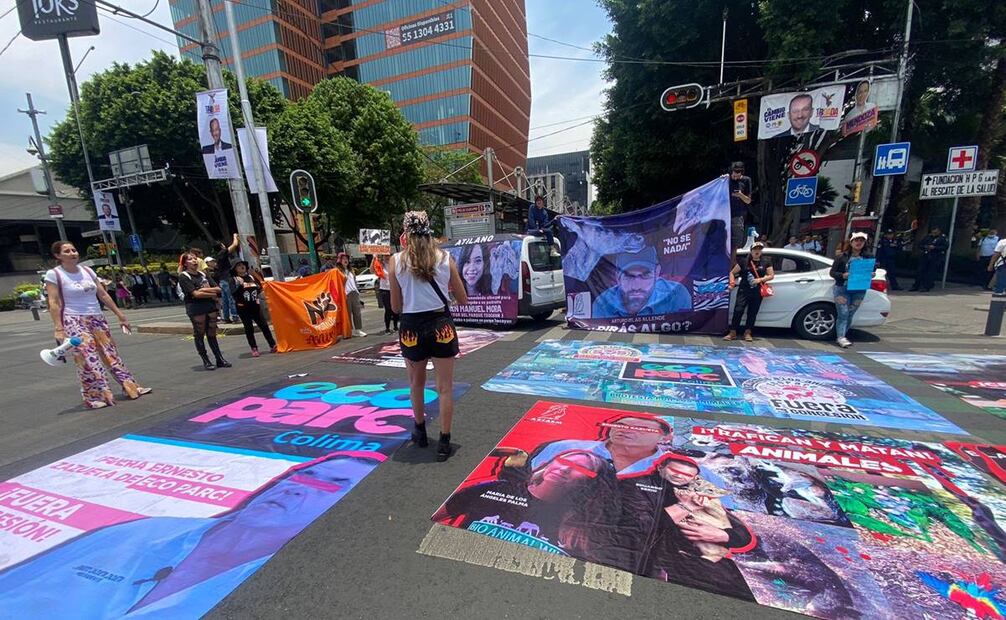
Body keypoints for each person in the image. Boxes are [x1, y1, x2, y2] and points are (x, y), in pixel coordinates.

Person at [0, 453, 377, 618]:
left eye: (330, 487)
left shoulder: (305, 593)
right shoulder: (138, 532)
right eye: (300, 477)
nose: (295, 488)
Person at [437, 449, 621, 561]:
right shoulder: (496, 488)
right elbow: (437, 516)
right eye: (564, 461)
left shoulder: (580, 528)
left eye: (580, 469)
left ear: (590, 484)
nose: (564, 468)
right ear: (550, 463)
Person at [389, 210, 468, 461]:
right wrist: (444, 298)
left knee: (416, 384)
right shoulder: (445, 258)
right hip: (440, 324)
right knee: (445, 387)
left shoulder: (396, 262)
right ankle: (444, 441)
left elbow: (395, 307)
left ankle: (420, 431)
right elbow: (463, 298)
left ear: (406, 234)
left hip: (411, 326)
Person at [43, 241, 151, 409]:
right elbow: (53, 301)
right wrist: (58, 328)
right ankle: (94, 396)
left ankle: (130, 387)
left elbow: (102, 293)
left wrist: (120, 315)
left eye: (74, 249)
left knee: (111, 353)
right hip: (73, 319)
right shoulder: (54, 274)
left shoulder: (87, 271)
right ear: (58, 256)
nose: (73, 253)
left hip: (97, 317)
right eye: (67, 251)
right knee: (87, 357)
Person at [645, 455, 755, 599]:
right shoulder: (642, 486)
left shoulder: (701, 494)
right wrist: (686, 506)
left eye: (688, 474)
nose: (680, 476)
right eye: (675, 470)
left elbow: (743, 534)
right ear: (661, 467)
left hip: (719, 568)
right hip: (673, 565)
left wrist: (722, 535)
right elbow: (644, 525)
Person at [530, 413, 673, 476]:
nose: (625, 430)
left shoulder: (676, 468)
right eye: (620, 425)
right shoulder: (565, 447)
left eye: (641, 429)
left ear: (665, 437)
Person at [592, 247, 692, 318]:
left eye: (646, 275)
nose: (637, 286)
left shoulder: (677, 295)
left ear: (657, 273)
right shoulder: (602, 304)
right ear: (618, 277)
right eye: (628, 275)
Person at [178, 252, 231, 370]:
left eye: (195, 259)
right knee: (199, 333)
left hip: (210, 306)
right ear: (185, 263)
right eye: (190, 259)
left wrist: (203, 290)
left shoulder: (203, 274)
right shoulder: (184, 276)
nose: (194, 261)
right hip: (196, 308)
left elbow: (218, 288)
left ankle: (219, 358)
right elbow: (195, 294)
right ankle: (206, 359)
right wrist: (206, 292)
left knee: (212, 333)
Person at [830, 231, 876, 348]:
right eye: (856, 240)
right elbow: (832, 272)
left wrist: (872, 274)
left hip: (859, 288)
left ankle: (843, 335)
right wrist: (843, 275)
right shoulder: (842, 257)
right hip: (842, 288)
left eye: (861, 240)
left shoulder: (868, 257)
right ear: (851, 242)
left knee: (850, 313)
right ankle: (840, 337)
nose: (858, 243)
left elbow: (873, 271)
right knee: (843, 313)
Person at [724, 241, 774, 342]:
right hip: (744, 290)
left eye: (759, 249)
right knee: (738, 310)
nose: (757, 251)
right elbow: (732, 273)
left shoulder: (766, 261)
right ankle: (733, 332)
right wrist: (732, 283)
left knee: (752, 312)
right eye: (755, 249)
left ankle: (748, 332)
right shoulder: (744, 261)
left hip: (757, 291)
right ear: (751, 251)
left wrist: (760, 280)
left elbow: (771, 275)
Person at [230, 260, 276, 357]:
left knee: (264, 325)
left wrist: (266, 297)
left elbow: (259, 289)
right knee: (249, 328)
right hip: (243, 308)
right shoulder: (234, 279)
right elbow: (233, 293)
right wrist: (239, 284)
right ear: (235, 269)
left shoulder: (251, 277)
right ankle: (254, 347)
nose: (242, 267)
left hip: (255, 306)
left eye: (243, 265)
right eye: (239, 265)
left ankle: (272, 344)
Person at [336, 252, 366, 337]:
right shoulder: (338, 271)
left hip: (354, 292)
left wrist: (357, 292)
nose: (345, 260)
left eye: (346, 259)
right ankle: (350, 330)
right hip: (345, 294)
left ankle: (358, 329)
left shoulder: (351, 270)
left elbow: (354, 281)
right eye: (343, 259)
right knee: (347, 313)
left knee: (357, 312)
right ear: (339, 260)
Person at [910, 227, 948, 292]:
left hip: (935, 257)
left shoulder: (942, 238)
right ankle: (916, 286)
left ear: (939, 232)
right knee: (920, 271)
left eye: (935, 232)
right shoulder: (928, 237)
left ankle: (926, 286)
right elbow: (920, 245)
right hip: (926, 256)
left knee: (930, 273)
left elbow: (945, 247)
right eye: (932, 232)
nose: (933, 234)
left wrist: (935, 247)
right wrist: (926, 247)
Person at [214, 234, 241, 323]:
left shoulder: (218, 256)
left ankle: (226, 317)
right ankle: (235, 316)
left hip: (222, 280)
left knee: (225, 300)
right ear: (221, 246)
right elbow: (235, 244)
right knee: (231, 298)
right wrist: (235, 236)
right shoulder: (222, 253)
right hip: (227, 279)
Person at [728, 162, 752, 252]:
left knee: (736, 241)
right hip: (725, 213)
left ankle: (734, 261)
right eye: (733, 175)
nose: (735, 177)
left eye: (737, 175)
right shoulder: (726, 179)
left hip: (738, 215)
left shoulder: (746, 180)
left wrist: (740, 195)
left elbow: (748, 201)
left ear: (741, 173)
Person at [372, 254, 398, 334]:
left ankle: (395, 326)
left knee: (395, 309)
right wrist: (373, 259)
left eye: (389, 256)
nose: (387, 257)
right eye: (385, 256)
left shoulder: (394, 264)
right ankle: (387, 328)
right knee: (388, 309)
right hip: (384, 290)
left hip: (393, 289)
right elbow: (372, 270)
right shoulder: (380, 265)